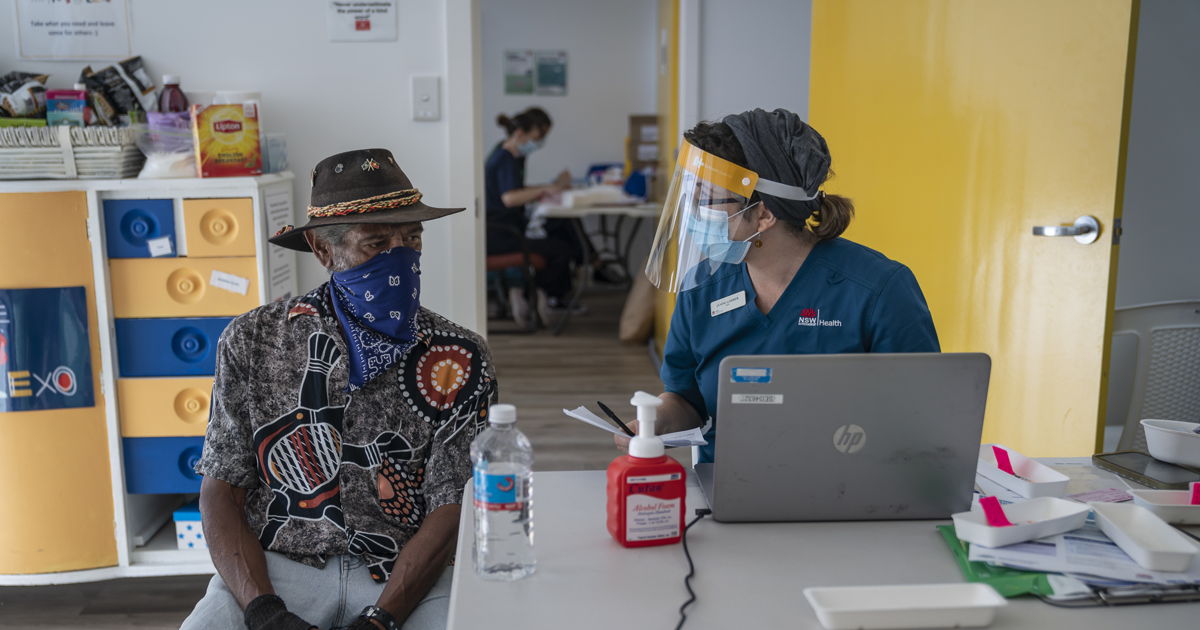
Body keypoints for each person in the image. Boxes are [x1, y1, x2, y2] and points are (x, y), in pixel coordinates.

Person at [182, 149, 497, 630]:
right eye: (376, 244)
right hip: (281, 568)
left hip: (409, 572)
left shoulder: (457, 357)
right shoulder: (251, 340)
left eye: (412, 240)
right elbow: (221, 488)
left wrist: (381, 620)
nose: (401, 258)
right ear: (323, 250)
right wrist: (265, 613)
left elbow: (453, 502)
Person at [621, 108, 939, 462]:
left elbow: (920, 416)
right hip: (728, 487)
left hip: (850, 486)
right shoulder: (702, 287)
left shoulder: (877, 290)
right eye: (690, 199)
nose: (693, 214)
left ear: (764, 214)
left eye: (706, 200)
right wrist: (657, 422)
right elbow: (686, 398)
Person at [484, 106, 584, 324]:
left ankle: (544, 291)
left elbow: (516, 191)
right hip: (502, 235)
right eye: (537, 137)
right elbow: (509, 198)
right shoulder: (504, 159)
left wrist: (549, 187)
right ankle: (539, 294)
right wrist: (546, 189)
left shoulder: (511, 155)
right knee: (560, 249)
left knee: (562, 226)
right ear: (520, 134)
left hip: (507, 229)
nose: (538, 143)